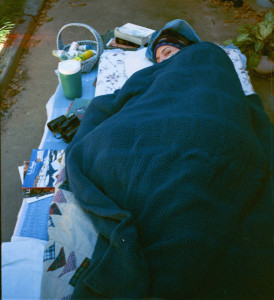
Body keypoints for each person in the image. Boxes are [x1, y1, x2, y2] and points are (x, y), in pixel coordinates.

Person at [65, 19, 273, 299]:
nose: (165, 56)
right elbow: (120, 99)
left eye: (171, 51)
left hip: (218, 129)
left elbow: (236, 100)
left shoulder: (209, 55)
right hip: (164, 129)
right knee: (126, 156)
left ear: (187, 49)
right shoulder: (156, 75)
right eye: (161, 54)